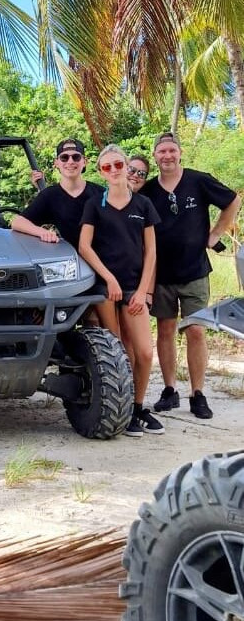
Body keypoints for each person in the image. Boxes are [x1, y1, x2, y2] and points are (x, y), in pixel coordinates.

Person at [141, 132, 241, 419]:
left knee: (196, 331)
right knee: (166, 330)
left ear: (180, 152)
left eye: (172, 150)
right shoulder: (148, 190)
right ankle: (169, 390)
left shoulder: (198, 180)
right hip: (161, 274)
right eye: (162, 152)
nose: (167, 156)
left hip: (195, 271)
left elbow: (233, 200)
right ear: (155, 156)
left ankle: (198, 394)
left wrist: (216, 234)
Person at [78, 144, 163, 437]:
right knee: (118, 352)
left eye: (118, 165)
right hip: (105, 288)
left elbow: (151, 252)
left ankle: (139, 406)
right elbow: (84, 247)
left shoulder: (143, 205)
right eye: (107, 167)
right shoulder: (94, 205)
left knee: (143, 352)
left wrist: (142, 292)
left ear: (127, 167)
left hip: (133, 288)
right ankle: (124, 412)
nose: (113, 171)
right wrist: (108, 279)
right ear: (101, 172)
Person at [12, 139, 103, 248]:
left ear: (85, 161)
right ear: (56, 163)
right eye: (64, 158)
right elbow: (18, 222)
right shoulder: (49, 196)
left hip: (106, 258)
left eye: (76, 157)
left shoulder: (100, 194)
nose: (70, 162)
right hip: (72, 260)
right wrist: (42, 232)